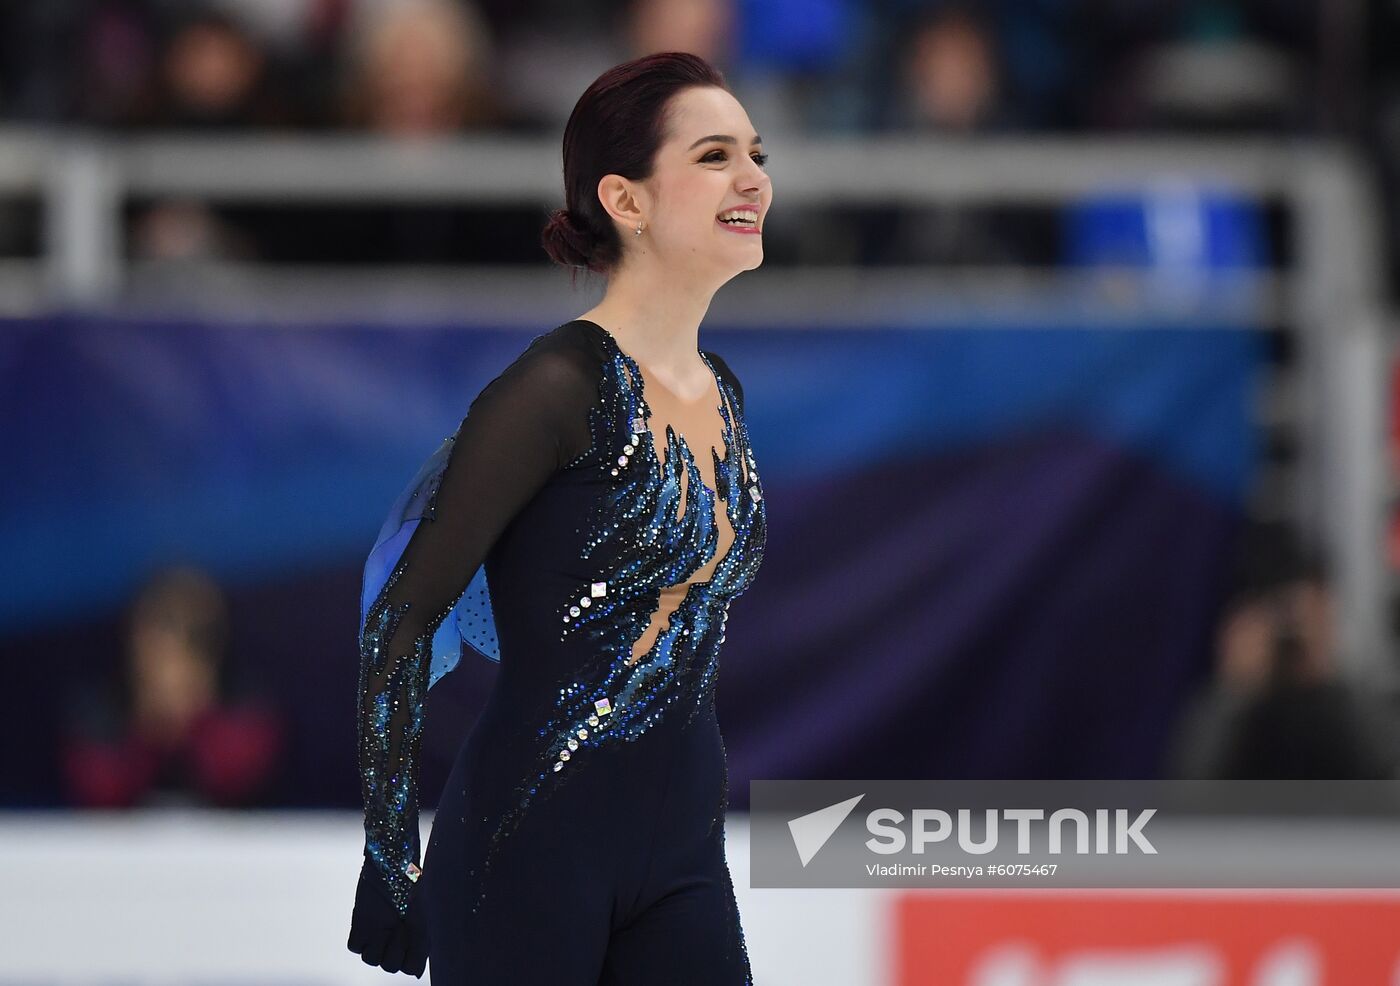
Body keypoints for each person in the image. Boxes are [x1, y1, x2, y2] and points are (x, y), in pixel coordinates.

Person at [345, 51, 771, 983]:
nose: (753, 179)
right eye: (713, 156)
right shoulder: (555, 389)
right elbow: (402, 617)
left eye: (757, 154)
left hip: (684, 860)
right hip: (524, 850)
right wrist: (386, 855)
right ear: (626, 199)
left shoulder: (722, 392)